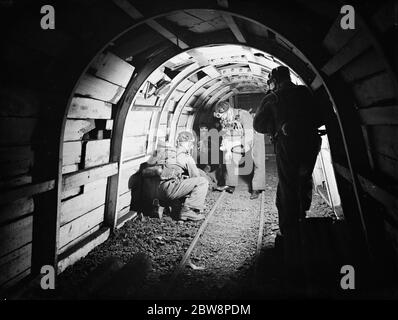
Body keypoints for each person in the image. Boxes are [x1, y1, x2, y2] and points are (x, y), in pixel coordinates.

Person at [253, 65, 323, 292]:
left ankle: (291, 232)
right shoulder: (304, 92)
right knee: (305, 177)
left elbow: (258, 125)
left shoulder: (272, 97)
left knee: (287, 185)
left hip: (288, 146)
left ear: (273, 80)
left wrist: (278, 125)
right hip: (311, 143)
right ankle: (303, 215)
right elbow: (322, 115)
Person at [213, 100, 265, 198]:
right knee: (229, 157)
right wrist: (226, 145)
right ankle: (231, 184)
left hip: (254, 134)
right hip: (240, 136)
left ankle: (257, 188)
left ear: (228, 111)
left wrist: (243, 147)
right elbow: (226, 132)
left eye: (223, 115)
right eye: (220, 116)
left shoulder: (242, 114)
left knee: (258, 161)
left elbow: (249, 134)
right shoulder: (225, 118)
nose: (222, 118)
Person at [156, 131, 209, 221]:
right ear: (188, 144)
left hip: (157, 189)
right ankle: (187, 211)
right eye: (192, 144)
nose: (192, 146)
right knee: (202, 182)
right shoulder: (186, 157)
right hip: (169, 189)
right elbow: (195, 177)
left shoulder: (168, 152)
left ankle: (168, 206)